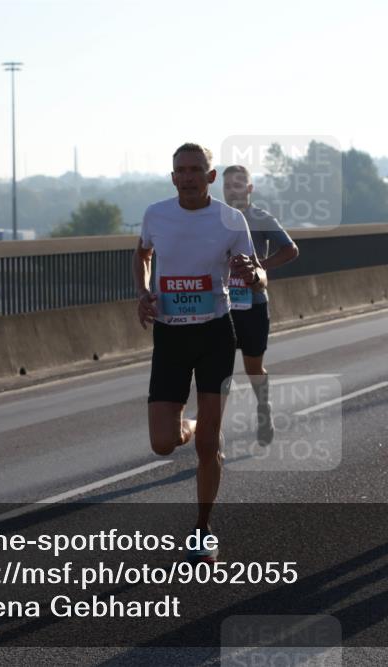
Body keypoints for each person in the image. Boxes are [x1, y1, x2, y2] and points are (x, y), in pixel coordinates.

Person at [133, 143, 265, 563]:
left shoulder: (230, 219)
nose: (187, 177)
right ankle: (190, 422)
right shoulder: (156, 214)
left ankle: (203, 529)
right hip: (170, 336)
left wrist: (254, 275)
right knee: (163, 443)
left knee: (208, 444)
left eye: (196, 170)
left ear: (211, 177)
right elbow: (142, 253)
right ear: (172, 177)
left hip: (214, 334)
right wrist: (143, 291)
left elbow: (256, 273)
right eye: (180, 170)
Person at [221, 165, 299, 445]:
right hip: (222, 306)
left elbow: (291, 249)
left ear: (250, 189)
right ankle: (214, 433)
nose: (233, 190)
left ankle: (263, 409)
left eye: (239, 184)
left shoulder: (261, 218)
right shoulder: (215, 218)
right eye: (228, 185)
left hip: (253, 303)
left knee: (253, 367)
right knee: (220, 371)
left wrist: (259, 267)